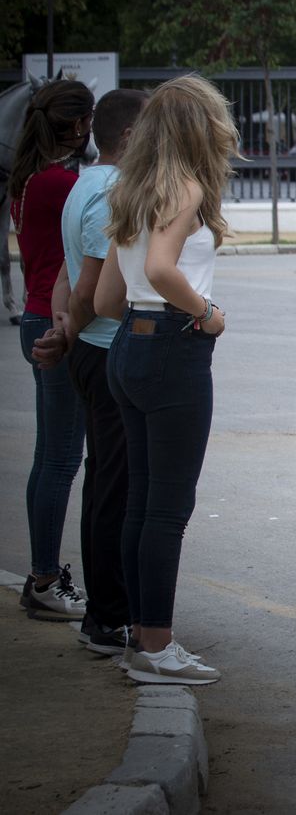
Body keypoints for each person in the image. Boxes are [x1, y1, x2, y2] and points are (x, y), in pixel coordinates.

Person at [94, 75, 231, 686]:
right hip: (173, 351)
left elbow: (106, 297)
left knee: (141, 506)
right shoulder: (186, 188)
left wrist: (152, 311)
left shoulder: (130, 190)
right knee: (168, 510)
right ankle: (157, 644)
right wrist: (206, 314)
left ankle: (138, 636)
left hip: (129, 346)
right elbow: (158, 268)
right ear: (199, 130)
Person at [38, 89, 148, 656]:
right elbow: (90, 288)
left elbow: (64, 269)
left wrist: (62, 330)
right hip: (105, 348)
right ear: (129, 138)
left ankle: (106, 613)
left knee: (105, 480)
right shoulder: (112, 192)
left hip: (89, 346)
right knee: (116, 489)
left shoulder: (83, 182)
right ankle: (108, 617)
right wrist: (69, 331)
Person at [11, 79, 92, 621]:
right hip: (56, 325)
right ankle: (43, 579)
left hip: (36, 315)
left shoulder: (29, 179)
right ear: (82, 125)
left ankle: (40, 573)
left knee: (49, 459)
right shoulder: (62, 183)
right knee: (61, 461)